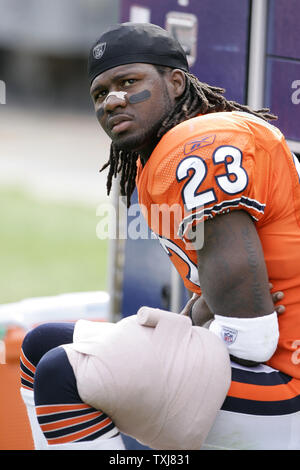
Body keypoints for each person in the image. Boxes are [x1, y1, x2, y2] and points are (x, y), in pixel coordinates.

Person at [20, 23, 300, 450]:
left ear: (175, 81)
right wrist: (209, 308)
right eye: (100, 94)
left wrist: (212, 317)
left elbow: (251, 338)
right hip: (266, 362)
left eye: (128, 82)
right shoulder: (165, 151)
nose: (112, 100)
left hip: (285, 379)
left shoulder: (198, 144)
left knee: (64, 372)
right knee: (40, 344)